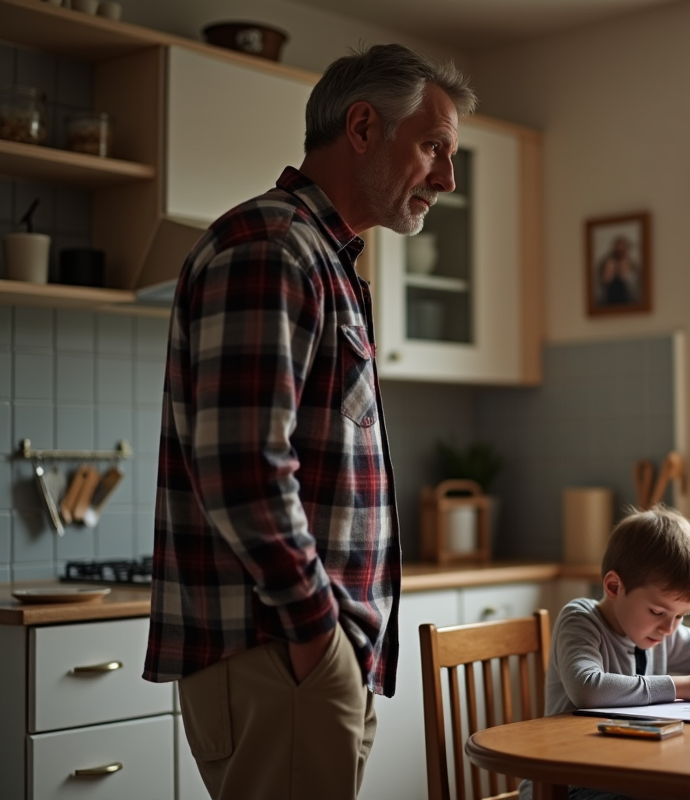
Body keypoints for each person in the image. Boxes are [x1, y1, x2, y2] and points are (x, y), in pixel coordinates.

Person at [143, 44, 476, 800]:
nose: (448, 179)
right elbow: (245, 470)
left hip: (302, 656)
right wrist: (317, 636)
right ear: (362, 127)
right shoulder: (273, 248)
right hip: (282, 653)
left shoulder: (323, 258)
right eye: (434, 148)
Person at [521, 507, 690, 800]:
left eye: (682, 616)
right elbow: (587, 689)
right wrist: (684, 686)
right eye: (657, 611)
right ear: (614, 586)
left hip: (626, 773)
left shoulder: (660, 632)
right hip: (565, 783)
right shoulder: (580, 620)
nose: (670, 627)